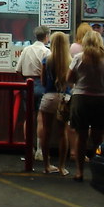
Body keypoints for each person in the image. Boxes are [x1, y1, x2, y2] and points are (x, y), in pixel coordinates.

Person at [66, 30, 104, 182]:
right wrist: (103, 82)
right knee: (99, 138)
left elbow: (69, 78)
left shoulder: (79, 58)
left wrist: (81, 81)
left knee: (81, 136)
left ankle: (79, 172)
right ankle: (99, 172)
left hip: (81, 99)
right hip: (102, 100)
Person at [37, 31, 73, 175]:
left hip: (49, 97)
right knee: (62, 133)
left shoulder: (47, 59)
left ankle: (46, 165)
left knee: (46, 131)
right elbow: (72, 81)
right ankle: (62, 167)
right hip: (65, 98)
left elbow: (44, 81)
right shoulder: (70, 60)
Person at [15, 25, 50, 161]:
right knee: (41, 118)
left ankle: (29, 148)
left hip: (27, 84)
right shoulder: (47, 52)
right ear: (46, 36)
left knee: (28, 118)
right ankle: (40, 151)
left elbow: (18, 70)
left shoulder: (26, 50)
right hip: (42, 85)